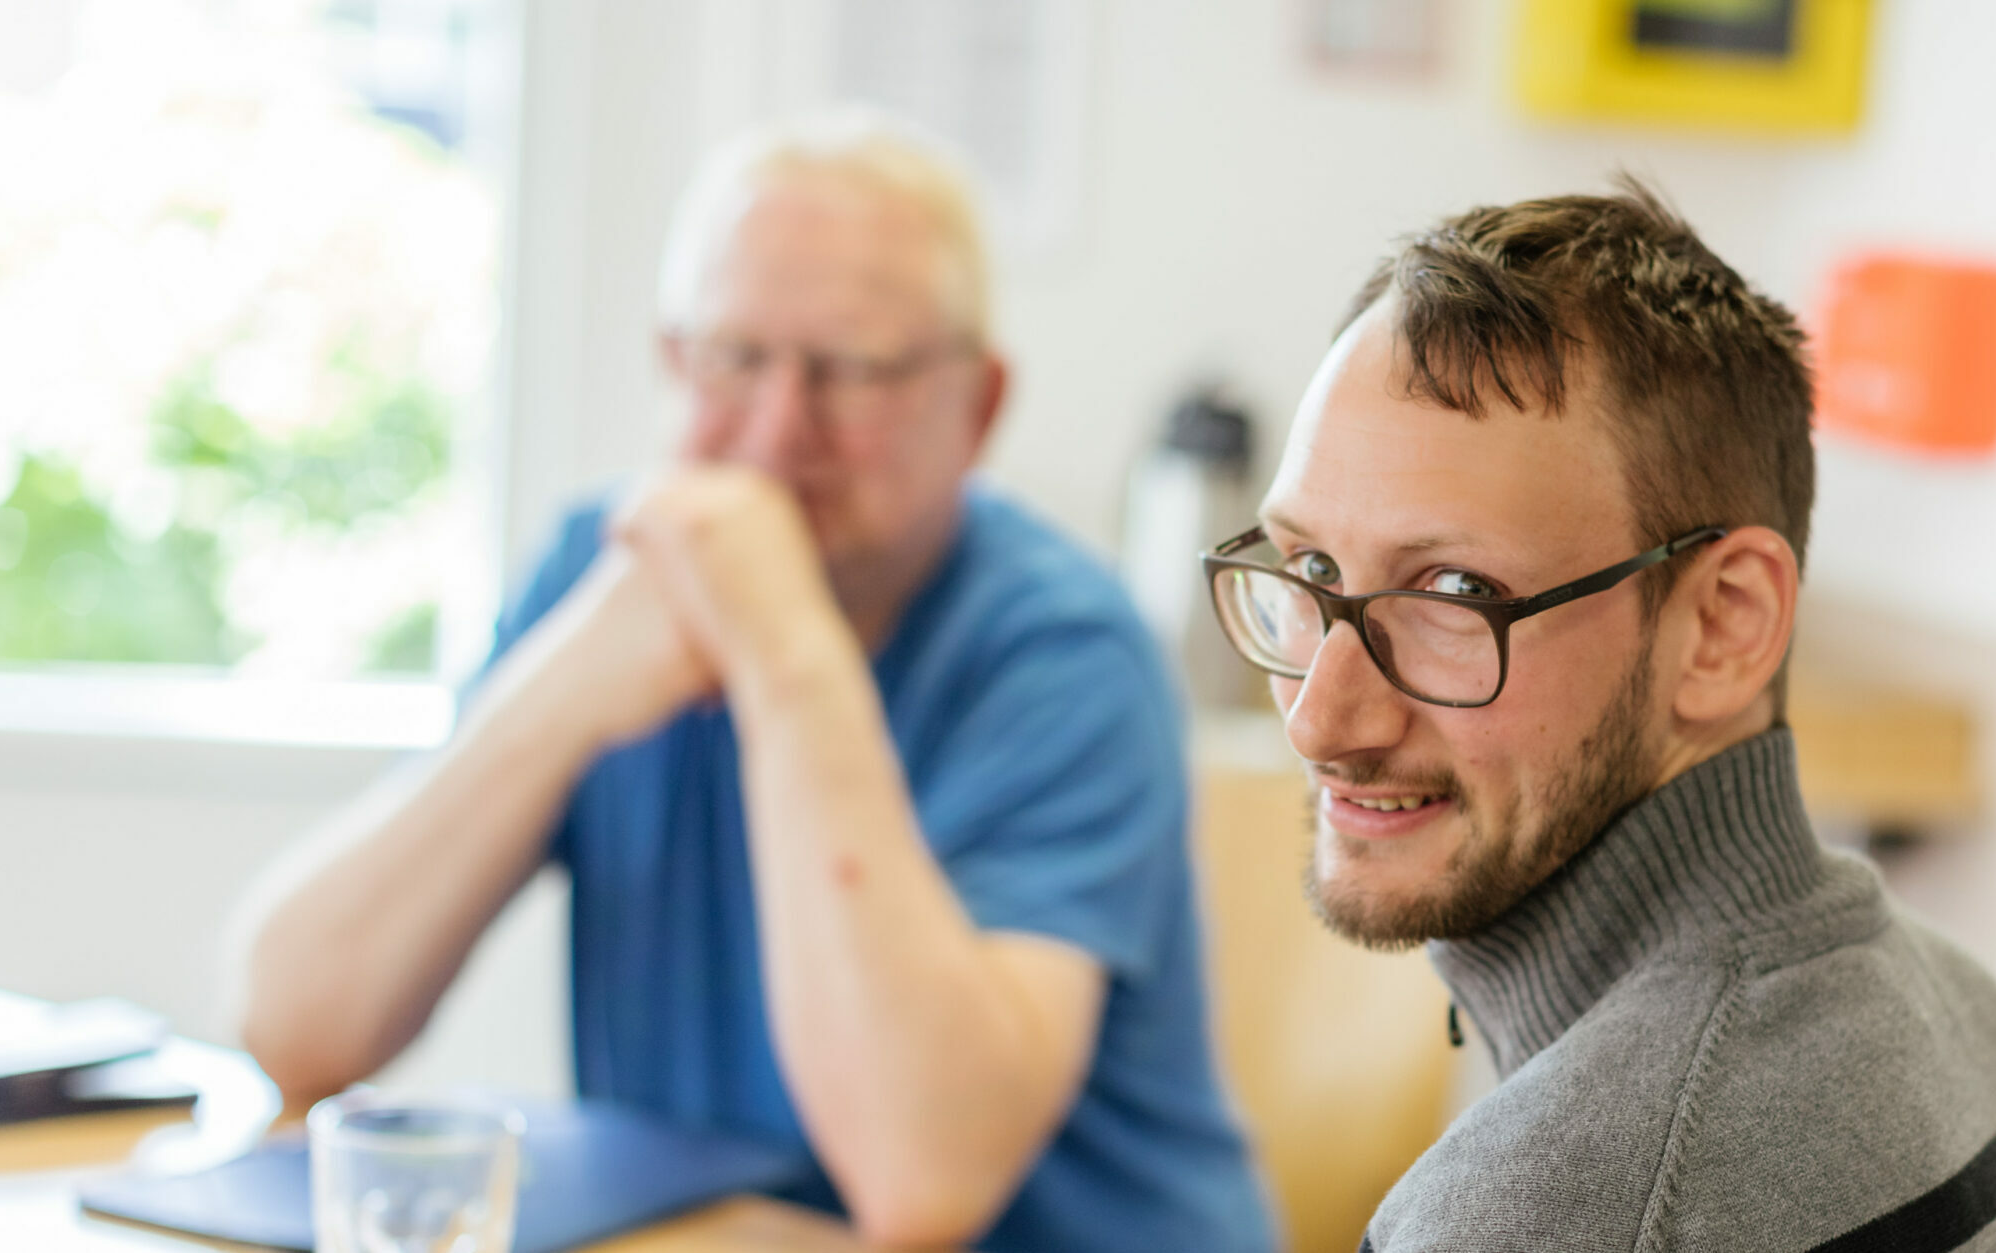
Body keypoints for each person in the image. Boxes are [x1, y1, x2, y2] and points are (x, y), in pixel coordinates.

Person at [232, 112, 1271, 1253]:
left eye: (847, 370)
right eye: (733, 357)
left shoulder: (1067, 652)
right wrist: (561, 689)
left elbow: (922, 1187)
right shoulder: (610, 570)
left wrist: (783, 646)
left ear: (974, 405)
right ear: (674, 360)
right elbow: (294, 1027)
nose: (776, 433)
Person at [1201, 182, 1996, 1251]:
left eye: (1452, 595)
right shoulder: (1967, 1015)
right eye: (1307, 566)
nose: (1319, 721)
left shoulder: (1546, 1213)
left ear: (1725, 624)